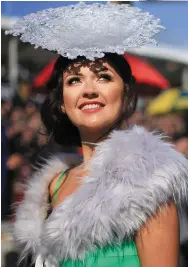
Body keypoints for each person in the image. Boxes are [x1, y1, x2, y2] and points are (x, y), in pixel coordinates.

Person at [6, 3, 188, 267]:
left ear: (125, 93)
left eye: (103, 77)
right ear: (61, 102)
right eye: (74, 80)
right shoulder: (51, 185)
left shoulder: (149, 184)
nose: (88, 90)